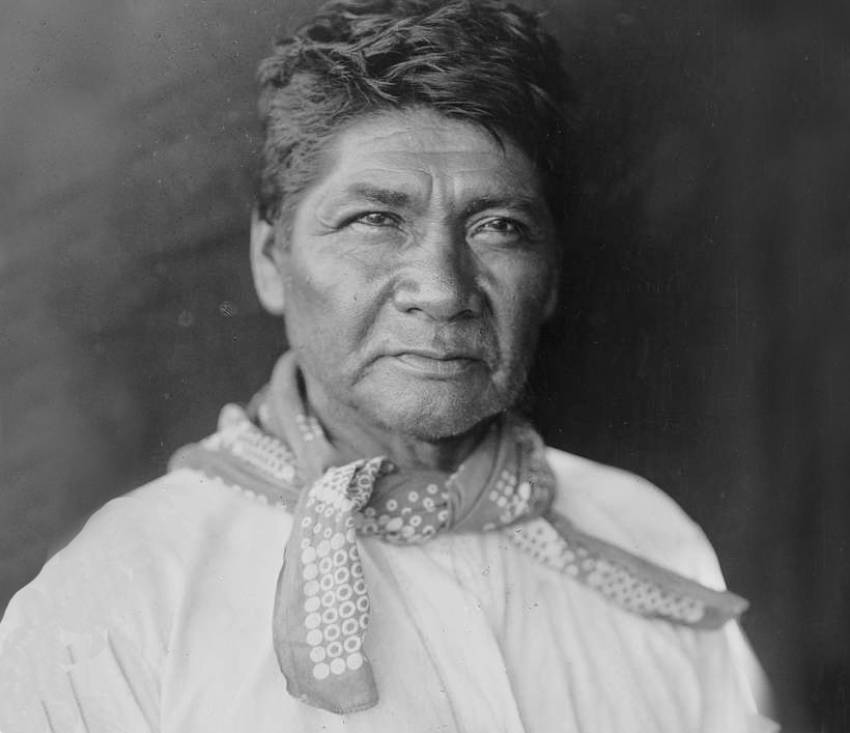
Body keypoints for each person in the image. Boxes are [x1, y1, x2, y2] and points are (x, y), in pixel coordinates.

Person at [0, 1, 778, 731]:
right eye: (376, 219)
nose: (443, 291)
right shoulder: (118, 603)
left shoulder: (652, 540)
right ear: (272, 258)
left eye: (498, 225)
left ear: (551, 276)